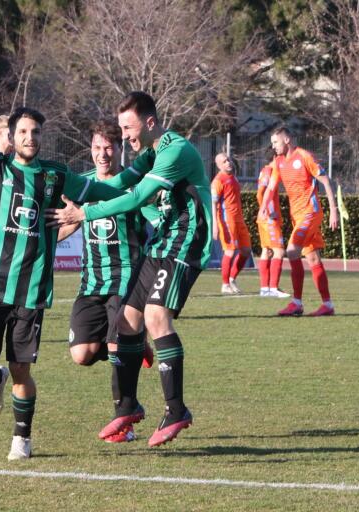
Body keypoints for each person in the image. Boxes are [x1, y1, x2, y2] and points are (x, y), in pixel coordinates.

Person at [0, 63, 125, 460]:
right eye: (22, 131)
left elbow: (102, 188)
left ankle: (21, 437)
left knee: (23, 371)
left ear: (41, 137)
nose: (29, 137)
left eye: (35, 132)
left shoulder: (55, 176)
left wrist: (149, 174)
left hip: (31, 293)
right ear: (10, 135)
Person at [47, 91, 213, 447]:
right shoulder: (151, 152)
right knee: (127, 320)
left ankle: (177, 409)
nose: (124, 136)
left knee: (155, 317)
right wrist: (60, 182)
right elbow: (119, 183)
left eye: (128, 127)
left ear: (149, 123)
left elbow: (137, 197)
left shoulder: (174, 150)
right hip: (165, 239)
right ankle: (127, 406)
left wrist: (84, 212)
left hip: (188, 238)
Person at [63, 118, 156, 443]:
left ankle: (123, 419)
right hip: (91, 284)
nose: (103, 154)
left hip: (126, 283)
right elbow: (69, 223)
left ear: (120, 150)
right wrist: (43, 241)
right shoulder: (83, 185)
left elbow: (153, 219)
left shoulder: (135, 185)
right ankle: (136, 345)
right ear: (90, 150)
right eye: (97, 147)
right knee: (82, 354)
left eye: (109, 147)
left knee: (117, 346)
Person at [258, 125, 338, 316]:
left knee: (292, 250)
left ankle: (297, 303)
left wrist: (333, 210)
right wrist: (263, 207)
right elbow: (271, 188)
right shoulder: (278, 162)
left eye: (275, 142)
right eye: (272, 143)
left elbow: (325, 181)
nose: (274, 146)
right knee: (312, 258)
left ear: (287, 140)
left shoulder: (304, 156)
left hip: (311, 212)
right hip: (297, 215)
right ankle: (327, 305)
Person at [211, 153, 252, 295]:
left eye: (228, 159)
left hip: (239, 219)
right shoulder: (218, 181)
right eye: (224, 161)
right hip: (227, 219)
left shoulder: (233, 176)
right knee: (229, 251)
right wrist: (215, 225)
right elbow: (213, 203)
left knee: (246, 250)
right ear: (218, 165)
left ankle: (232, 278)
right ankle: (225, 284)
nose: (228, 162)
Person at [256, 158, 290, 298]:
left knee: (267, 251)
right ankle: (273, 287)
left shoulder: (268, 171)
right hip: (269, 219)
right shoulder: (268, 171)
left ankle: (265, 288)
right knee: (279, 251)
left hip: (265, 219)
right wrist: (269, 211)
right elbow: (261, 192)